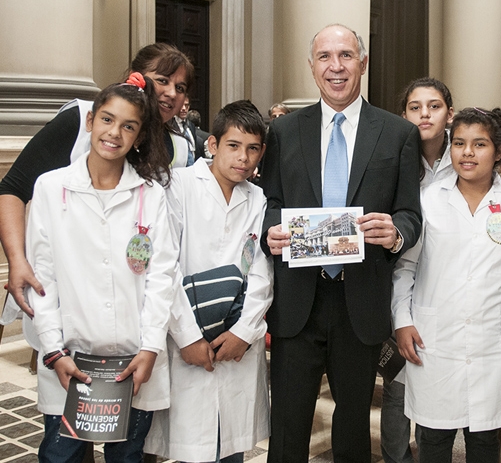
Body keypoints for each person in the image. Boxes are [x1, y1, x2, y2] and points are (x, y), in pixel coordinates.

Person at [262, 23, 422, 462]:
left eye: (346, 56)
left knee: (353, 429)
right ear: (312, 67)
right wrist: (270, 230)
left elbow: (410, 212)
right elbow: (269, 202)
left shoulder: (396, 134)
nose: (336, 67)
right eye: (326, 57)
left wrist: (396, 233)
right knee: (288, 426)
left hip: (362, 300)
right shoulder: (284, 131)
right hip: (298, 301)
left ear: (363, 63)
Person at [26, 74, 177, 462]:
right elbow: (43, 277)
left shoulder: (151, 196)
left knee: (128, 457)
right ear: (90, 121)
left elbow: (163, 276)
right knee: (62, 456)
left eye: (129, 126)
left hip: (134, 363)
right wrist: (53, 351)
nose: (115, 133)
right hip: (69, 359)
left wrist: (150, 348)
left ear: (140, 137)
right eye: (107, 120)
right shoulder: (50, 187)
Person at [0, 42, 195, 319]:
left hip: (130, 290)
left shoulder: (176, 146)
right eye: (162, 80)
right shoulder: (80, 120)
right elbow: (12, 189)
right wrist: (17, 260)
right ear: (135, 75)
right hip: (69, 279)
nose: (171, 93)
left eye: (181, 87)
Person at [145, 100, 272, 463]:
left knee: (232, 448)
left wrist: (245, 332)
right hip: (187, 338)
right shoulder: (177, 187)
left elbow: (262, 271)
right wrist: (187, 337)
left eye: (252, 149)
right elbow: (163, 265)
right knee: (193, 448)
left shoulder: (259, 198)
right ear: (213, 145)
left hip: (236, 343)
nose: (243, 158)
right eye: (233, 146)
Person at [394, 107, 501, 463]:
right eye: (459, 143)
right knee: (432, 442)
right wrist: (402, 320)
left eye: (479, 144)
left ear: (498, 151)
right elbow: (405, 267)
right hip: (435, 341)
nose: (466, 153)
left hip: (492, 344)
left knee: (484, 445)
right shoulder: (428, 199)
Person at [380, 77, 455, 463]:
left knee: (433, 390)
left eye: (434, 105)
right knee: (396, 387)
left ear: (449, 114)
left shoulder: (463, 160)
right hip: (395, 286)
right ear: (403, 114)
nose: (424, 114)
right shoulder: (391, 156)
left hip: (445, 289)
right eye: (414, 107)